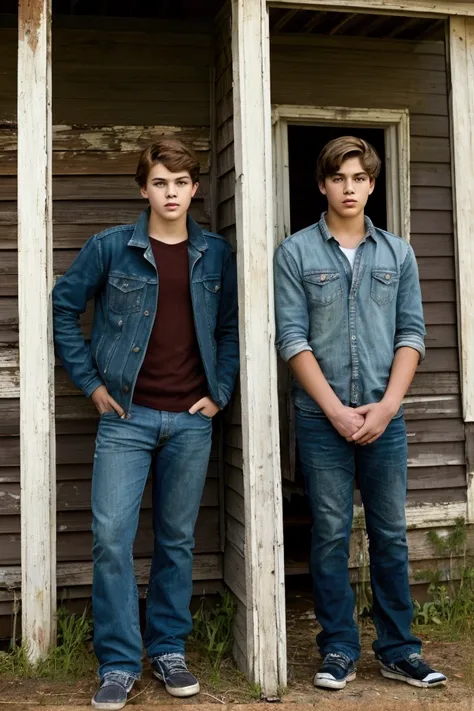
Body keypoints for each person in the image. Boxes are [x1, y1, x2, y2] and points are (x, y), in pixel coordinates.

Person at [53, 139, 239, 710]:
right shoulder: (112, 247)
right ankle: (116, 662)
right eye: (160, 183)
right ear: (144, 189)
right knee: (111, 539)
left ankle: (168, 649)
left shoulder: (216, 254)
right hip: (126, 418)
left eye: (181, 183)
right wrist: (92, 385)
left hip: (190, 421)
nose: (171, 193)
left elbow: (231, 327)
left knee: (177, 540)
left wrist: (219, 393)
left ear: (195, 189)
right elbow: (63, 305)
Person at [274, 136, 447, 691]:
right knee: (328, 533)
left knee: (389, 534)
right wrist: (335, 411)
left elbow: (412, 334)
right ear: (322, 185)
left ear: (372, 184)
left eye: (360, 178)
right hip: (321, 420)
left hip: (385, 417)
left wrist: (387, 406)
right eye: (338, 178)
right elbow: (292, 339)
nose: (349, 188)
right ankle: (339, 650)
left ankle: (399, 650)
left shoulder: (398, 254)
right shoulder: (296, 252)